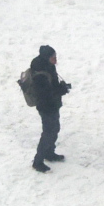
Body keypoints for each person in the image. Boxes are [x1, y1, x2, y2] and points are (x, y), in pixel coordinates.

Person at [30, 44, 70, 172]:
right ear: (47, 57)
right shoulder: (40, 73)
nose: (55, 59)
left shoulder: (48, 66)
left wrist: (60, 88)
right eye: (53, 57)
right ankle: (38, 161)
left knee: (55, 129)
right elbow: (46, 93)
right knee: (48, 132)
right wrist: (61, 90)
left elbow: (52, 85)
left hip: (53, 104)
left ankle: (49, 153)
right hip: (46, 106)